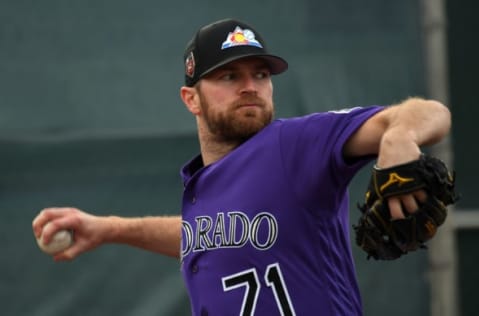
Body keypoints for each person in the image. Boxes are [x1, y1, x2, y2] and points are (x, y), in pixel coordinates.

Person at [32, 18, 451, 315]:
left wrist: (397, 136)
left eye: (260, 73)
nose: (250, 86)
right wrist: (108, 228)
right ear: (190, 98)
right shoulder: (203, 184)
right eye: (229, 76)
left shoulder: (295, 144)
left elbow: (431, 114)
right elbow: (207, 238)